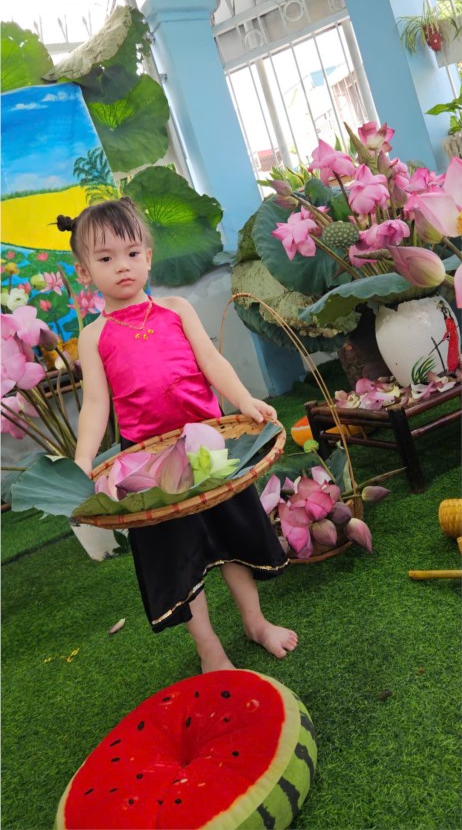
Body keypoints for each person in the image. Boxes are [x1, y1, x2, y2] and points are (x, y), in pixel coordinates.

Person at [57, 198, 297, 672]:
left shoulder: (176, 309)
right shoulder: (94, 335)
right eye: (105, 258)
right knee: (179, 554)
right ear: (84, 272)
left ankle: (255, 621)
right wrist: (82, 461)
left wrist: (244, 400)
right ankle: (209, 648)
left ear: (148, 256)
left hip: (208, 445)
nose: (122, 266)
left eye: (132, 253)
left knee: (231, 534)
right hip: (148, 466)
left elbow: (212, 362)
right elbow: (97, 407)